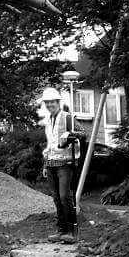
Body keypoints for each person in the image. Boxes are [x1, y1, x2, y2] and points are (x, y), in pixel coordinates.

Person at [39, 86, 85, 242]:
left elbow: (83, 133)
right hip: (51, 163)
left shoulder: (67, 118)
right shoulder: (49, 121)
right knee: (56, 198)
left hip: (65, 164)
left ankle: (72, 232)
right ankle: (61, 230)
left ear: (58, 102)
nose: (50, 104)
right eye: (47, 102)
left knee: (65, 196)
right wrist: (45, 165)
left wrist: (70, 135)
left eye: (52, 102)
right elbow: (50, 145)